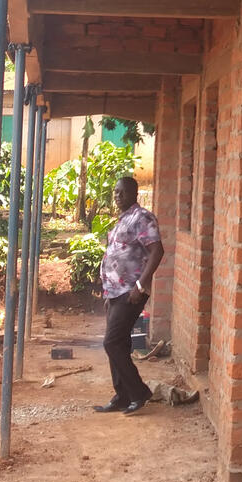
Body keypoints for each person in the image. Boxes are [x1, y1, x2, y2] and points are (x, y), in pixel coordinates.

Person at [93, 175, 164, 416]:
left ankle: (139, 392)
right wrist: (107, 293)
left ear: (134, 194)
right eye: (115, 192)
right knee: (119, 343)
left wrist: (141, 285)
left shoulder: (142, 218)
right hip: (115, 292)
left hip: (131, 292)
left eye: (122, 192)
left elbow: (157, 251)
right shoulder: (123, 220)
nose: (117, 196)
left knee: (111, 342)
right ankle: (122, 395)